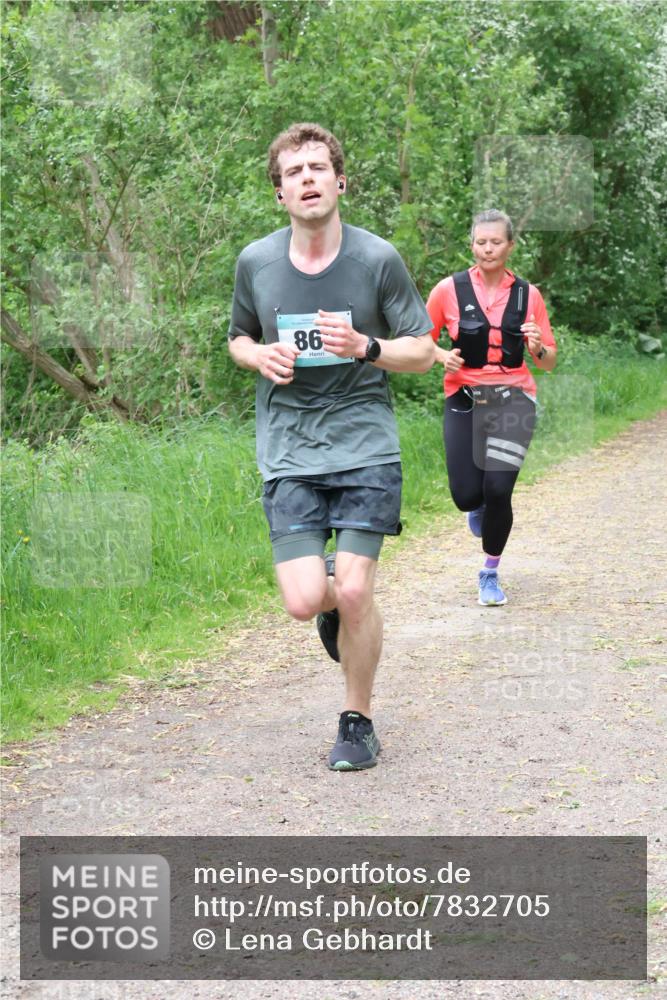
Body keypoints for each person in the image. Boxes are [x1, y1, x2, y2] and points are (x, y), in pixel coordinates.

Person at [228, 123, 434, 770]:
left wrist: (367, 348)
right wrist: (257, 355)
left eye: (318, 168)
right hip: (288, 447)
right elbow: (236, 336)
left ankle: (357, 721)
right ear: (279, 194)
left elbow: (423, 351)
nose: (308, 179)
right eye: (294, 172)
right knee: (302, 601)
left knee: (351, 589)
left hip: (363, 443)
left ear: (339, 182)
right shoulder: (256, 263)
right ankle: (337, 614)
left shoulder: (376, 260)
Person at [426, 209, 556, 606]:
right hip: (464, 396)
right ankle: (477, 505)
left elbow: (549, 360)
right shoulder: (447, 290)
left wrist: (536, 346)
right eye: (481, 242)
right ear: (472, 245)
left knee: (499, 489)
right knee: (467, 495)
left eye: (496, 242)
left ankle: (490, 572)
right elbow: (417, 341)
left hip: (515, 397)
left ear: (510, 246)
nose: (488, 249)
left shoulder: (528, 294)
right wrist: (438, 355)